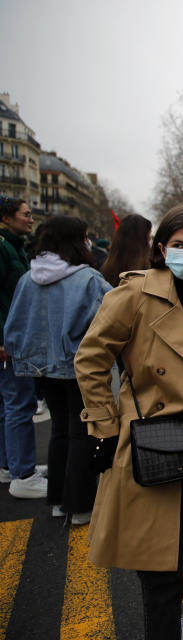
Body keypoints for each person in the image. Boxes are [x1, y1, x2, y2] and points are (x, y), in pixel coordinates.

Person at [74, 204, 183, 640]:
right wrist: (103, 426)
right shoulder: (134, 294)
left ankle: (170, 623)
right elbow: (91, 359)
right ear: (161, 248)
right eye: (180, 245)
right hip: (151, 442)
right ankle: (165, 627)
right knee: (158, 566)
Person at [4, 216, 111, 524]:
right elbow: (111, 318)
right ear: (77, 241)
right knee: (82, 432)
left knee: (60, 431)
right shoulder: (88, 279)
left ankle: (59, 501)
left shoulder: (28, 279)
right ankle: (79, 506)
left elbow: (15, 324)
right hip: (80, 365)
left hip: (40, 367)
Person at [0, 196, 45, 498]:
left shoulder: (12, 245)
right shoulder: (4, 248)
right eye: (25, 215)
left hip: (11, 336)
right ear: (6, 217)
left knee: (8, 407)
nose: (30, 220)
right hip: (10, 339)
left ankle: (11, 466)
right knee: (19, 404)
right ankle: (23, 474)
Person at [100, 213, 153, 287]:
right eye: (150, 237)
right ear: (142, 242)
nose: (151, 242)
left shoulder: (105, 270)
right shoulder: (149, 274)